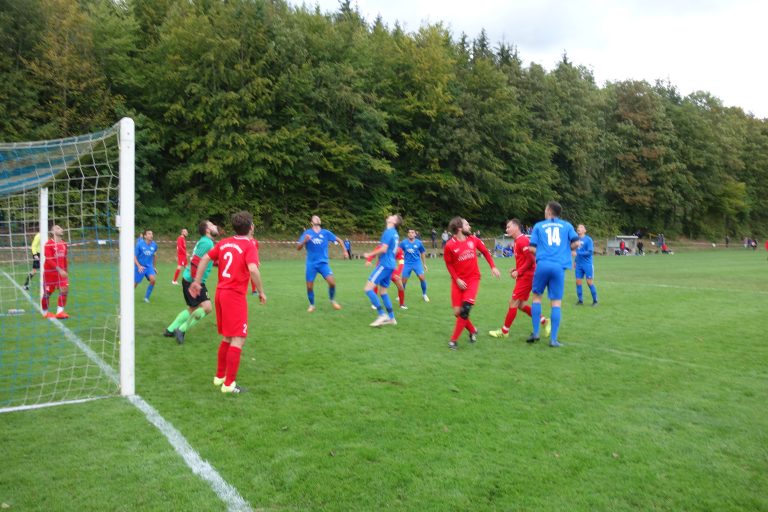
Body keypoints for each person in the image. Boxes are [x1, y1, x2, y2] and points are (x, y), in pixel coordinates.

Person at [189, 211, 266, 394]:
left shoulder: (224, 243)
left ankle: (219, 377)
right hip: (234, 296)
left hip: (220, 294)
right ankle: (229, 384)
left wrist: (197, 282)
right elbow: (253, 269)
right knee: (238, 338)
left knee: (228, 337)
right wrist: (261, 291)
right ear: (251, 227)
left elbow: (205, 258)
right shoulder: (249, 245)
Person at [526, 201, 579, 347]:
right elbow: (576, 243)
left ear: (549, 211)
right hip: (558, 267)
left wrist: (544, 252)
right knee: (556, 302)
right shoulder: (567, 225)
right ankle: (553, 340)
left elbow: (531, 248)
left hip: (542, 265)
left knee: (536, 298)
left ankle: (536, 333)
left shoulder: (538, 225)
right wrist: (565, 249)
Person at [443, 217, 501, 350]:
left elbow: (485, 252)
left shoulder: (474, 240)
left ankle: (453, 341)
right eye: (467, 225)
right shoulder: (450, 245)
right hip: (458, 282)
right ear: (459, 228)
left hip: (473, 279)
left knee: (465, 310)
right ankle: (472, 330)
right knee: (458, 312)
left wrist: (493, 266)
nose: (469, 227)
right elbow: (449, 264)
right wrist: (457, 279)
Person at [489, 219, 549, 339]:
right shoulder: (518, 241)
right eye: (506, 228)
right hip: (525, 275)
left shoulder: (523, 240)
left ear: (516, 227)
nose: (506, 230)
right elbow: (525, 259)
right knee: (521, 304)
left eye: (508, 227)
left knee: (513, 302)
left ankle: (504, 331)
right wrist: (516, 269)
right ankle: (544, 321)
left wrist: (519, 271)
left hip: (527, 276)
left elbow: (531, 260)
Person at [163, 220, 219, 344]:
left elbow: (209, 260)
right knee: (207, 308)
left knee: (193, 308)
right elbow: (195, 261)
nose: (215, 226)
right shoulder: (206, 242)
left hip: (191, 279)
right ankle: (181, 330)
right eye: (212, 224)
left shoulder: (207, 242)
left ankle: (170, 330)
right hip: (194, 281)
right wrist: (196, 282)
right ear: (207, 230)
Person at [296, 215, 348, 312]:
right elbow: (298, 248)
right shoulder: (307, 233)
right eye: (315, 218)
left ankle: (332, 300)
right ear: (311, 222)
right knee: (309, 287)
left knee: (332, 283)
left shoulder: (326, 233)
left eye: (318, 218)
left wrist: (345, 251)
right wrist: (304, 241)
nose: (317, 218)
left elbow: (339, 240)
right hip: (311, 264)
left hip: (323, 264)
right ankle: (312, 305)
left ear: (320, 221)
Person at [363, 214, 402, 327]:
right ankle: (391, 318)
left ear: (394, 222)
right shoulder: (395, 233)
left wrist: (369, 254)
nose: (390, 216)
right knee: (383, 292)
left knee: (367, 288)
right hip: (390, 265)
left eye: (392, 216)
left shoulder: (388, 232)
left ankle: (381, 314)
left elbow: (383, 249)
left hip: (384, 265)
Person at [41, 225, 69, 319]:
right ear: (52, 232)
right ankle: (45, 313)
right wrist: (59, 270)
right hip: (50, 273)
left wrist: (65, 270)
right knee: (47, 293)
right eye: (57, 228)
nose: (61, 229)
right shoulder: (48, 244)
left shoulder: (64, 244)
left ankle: (60, 312)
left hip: (61, 273)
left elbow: (64, 259)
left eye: (61, 228)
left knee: (64, 290)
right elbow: (49, 259)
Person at [399, 228, 429, 305]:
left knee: (422, 278)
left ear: (415, 234)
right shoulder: (403, 243)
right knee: (403, 281)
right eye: (409, 232)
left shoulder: (419, 242)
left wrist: (424, 264)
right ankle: (400, 295)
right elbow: (398, 251)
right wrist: (400, 259)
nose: (411, 234)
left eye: (412, 232)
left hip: (417, 263)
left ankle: (424, 294)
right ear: (407, 234)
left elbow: (422, 252)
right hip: (407, 263)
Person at [573, 224, 598, 306]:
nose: (578, 228)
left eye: (581, 227)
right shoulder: (576, 240)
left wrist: (578, 253)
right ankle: (580, 300)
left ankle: (595, 301)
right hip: (579, 265)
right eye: (578, 227)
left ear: (585, 230)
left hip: (587, 264)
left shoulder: (588, 239)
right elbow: (577, 251)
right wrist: (575, 261)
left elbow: (590, 252)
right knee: (578, 282)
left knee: (589, 282)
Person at [134, 229, 158, 303]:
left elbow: (154, 255)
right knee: (134, 284)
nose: (151, 235)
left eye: (152, 234)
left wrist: (153, 267)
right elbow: (134, 257)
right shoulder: (139, 244)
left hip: (149, 267)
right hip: (140, 266)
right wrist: (138, 266)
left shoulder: (154, 245)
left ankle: (146, 298)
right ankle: (127, 298)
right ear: (145, 236)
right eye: (149, 234)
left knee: (153, 280)